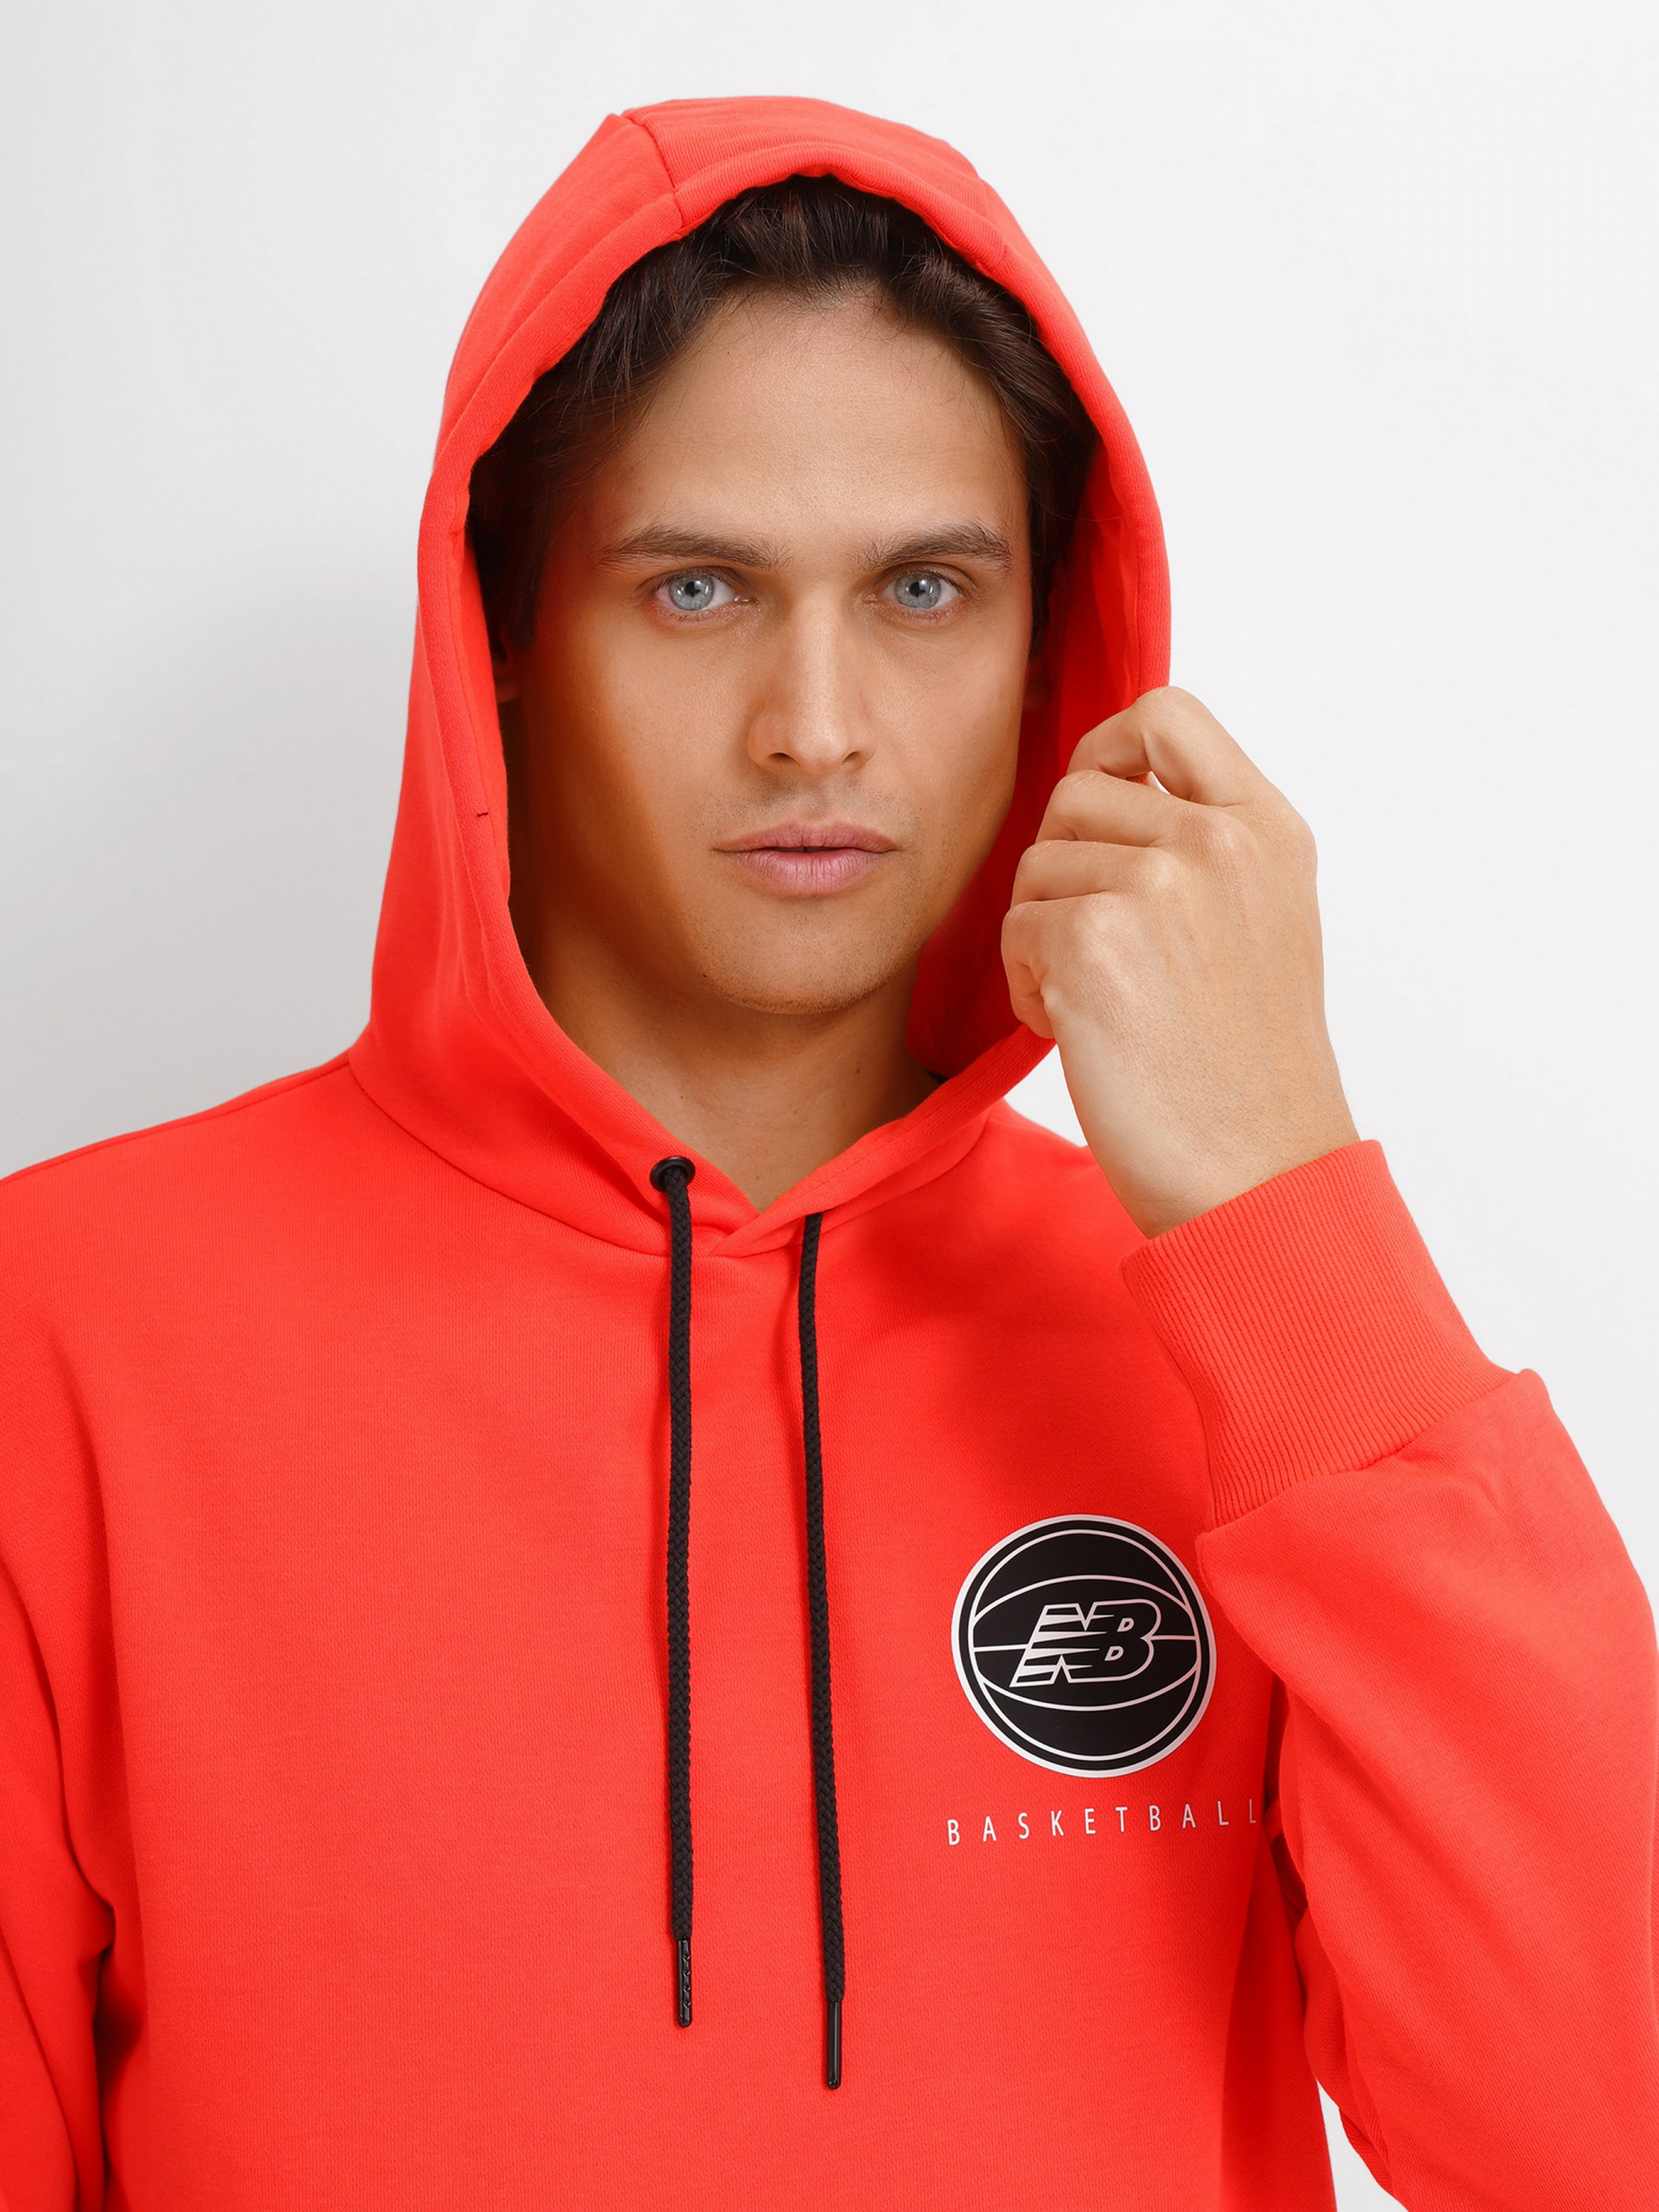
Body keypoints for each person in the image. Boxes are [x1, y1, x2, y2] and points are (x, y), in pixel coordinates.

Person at [1, 94, 1653, 2212]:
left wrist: (1284, 1211)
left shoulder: (1246, 1344)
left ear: (1048, 652)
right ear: (504, 638)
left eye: (925, 590)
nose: (816, 721)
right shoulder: (72, 1334)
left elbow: (1602, 2138)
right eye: (696, 587)